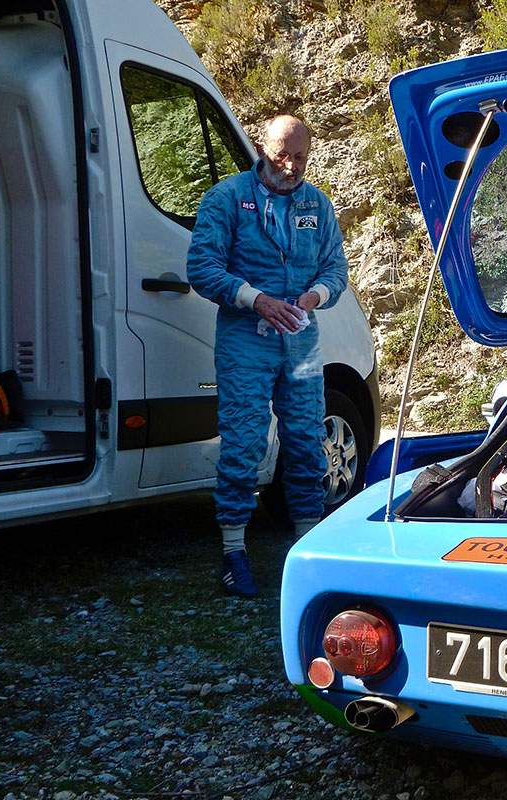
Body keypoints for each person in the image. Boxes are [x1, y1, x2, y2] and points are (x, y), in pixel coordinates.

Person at [186, 115, 349, 598]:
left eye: (301, 156)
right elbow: (202, 268)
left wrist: (312, 297)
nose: (292, 165)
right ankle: (234, 551)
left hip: (300, 341)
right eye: (283, 154)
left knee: (305, 437)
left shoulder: (317, 205)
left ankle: (306, 548)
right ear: (261, 146)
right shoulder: (227, 198)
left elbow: (336, 269)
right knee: (243, 441)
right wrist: (255, 298)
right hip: (246, 342)